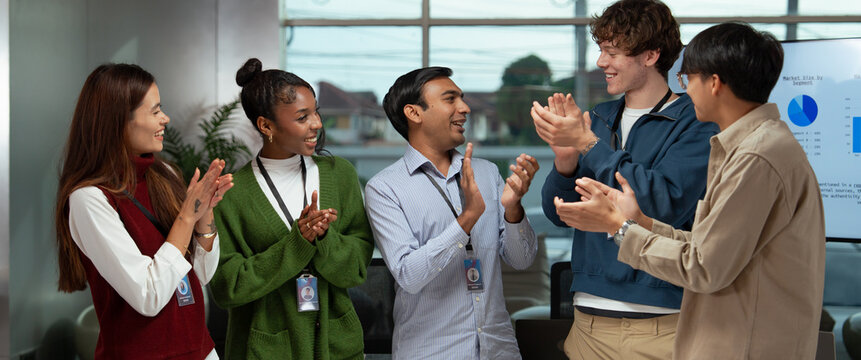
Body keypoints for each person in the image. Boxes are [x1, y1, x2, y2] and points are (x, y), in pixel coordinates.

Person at [555, 22, 825, 359]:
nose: (685, 90)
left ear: (714, 83)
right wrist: (640, 221)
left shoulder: (756, 156)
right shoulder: (756, 146)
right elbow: (707, 247)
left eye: (687, 79)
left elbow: (703, 266)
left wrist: (619, 227)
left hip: (745, 345)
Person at [529, 0, 719, 358]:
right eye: (601, 50)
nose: (601, 62)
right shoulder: (599, 118)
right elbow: (559, 214)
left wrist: (588, 145)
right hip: (588, 319)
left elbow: (662, 202)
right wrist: (566, 160)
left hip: (662, 322)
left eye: (612, 52)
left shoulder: (696, 123)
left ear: (650, 55)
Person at [56, 63, 232, 359]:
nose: (165, 118)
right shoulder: (89, 199)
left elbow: (200, 274)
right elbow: (148, 296)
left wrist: (204, 213)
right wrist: (187, 216)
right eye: (155, 111)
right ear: (118, 120)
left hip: (202, 352)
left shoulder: (164, 174)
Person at [364, 66, 539, 359]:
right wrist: (467, 218)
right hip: (431, 352)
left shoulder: (487, 173)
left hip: (499, 350)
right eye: (450, 99)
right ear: (414, 113)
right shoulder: (384, 188)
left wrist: (513, 208)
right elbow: (408, 275)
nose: (465, 108)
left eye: (462, 98)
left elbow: (522, 259)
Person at [209, 58, 374, 360]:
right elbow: (227, 287)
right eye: (302, 117)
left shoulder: (340, 174)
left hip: (337, 347)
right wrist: (297, 243)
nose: (317, 124)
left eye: (316, 112)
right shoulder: (232, 193)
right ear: (266, 125)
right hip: (264, 350)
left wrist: (324, 238)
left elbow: (357, 268)